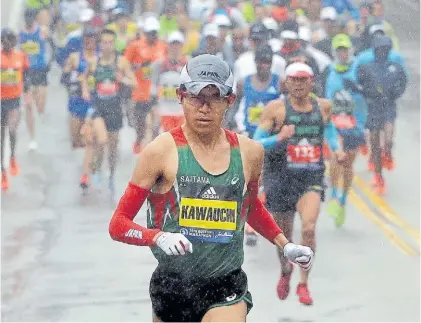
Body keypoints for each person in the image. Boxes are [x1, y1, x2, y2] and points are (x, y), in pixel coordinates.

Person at [109, 54, 314, 322]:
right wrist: (157, 237)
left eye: (214, 98)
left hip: (225, 285)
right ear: (181, 96)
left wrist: (284, 244)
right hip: (173, 286)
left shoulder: (250, 153)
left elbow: (249, 207)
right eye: (196, 97)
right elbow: (118, 224)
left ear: (229, 101)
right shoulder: (159, 152)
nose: (204, 108)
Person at [253, 62, 344, 305]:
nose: (299, 84)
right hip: (280, 179)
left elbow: (331, 132)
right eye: (294, 80)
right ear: (287, 82)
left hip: (310, 178)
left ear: (311, 82)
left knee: (308, 229)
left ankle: (304, 283)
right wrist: (279, 137)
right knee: (283, 237)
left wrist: (337, 150)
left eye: (304, 80)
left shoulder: (323, 107)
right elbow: (256, 142)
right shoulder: (275, 109)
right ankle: (286, 271)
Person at [236, 44, 282, 245]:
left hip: (268, 139)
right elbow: (234, 107)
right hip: (248, 134)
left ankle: (255, 220)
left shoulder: (280, 84)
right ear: (255, 63)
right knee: (250, 178)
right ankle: (247, 219)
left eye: (268, 63)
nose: (264, 66)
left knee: (262, 178)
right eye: (261, 62)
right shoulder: (243, 83)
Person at [80, 28, 137, 192]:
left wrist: (122, 79)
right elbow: (84, 77)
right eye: (104, 42)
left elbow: (134, 83)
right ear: (100, 45)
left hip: (115, 107)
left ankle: (111, 173)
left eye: (110, 42)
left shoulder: (121, 62)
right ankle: (97, 170)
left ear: (114, 44)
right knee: (102, 140)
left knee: (113, 146)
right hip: (99, 106)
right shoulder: (93, 62)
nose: (107, 46)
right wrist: (84, 90)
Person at [355, 35, 407, 194]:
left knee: (389, 139)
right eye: (380, 49)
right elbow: (360, 83)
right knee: (375, 144)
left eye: (385, 49)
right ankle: (378, 176)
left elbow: (403, 82)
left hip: (388, 106)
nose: (382, 52)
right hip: (373, 108)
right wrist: (367, 94)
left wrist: (395, 94)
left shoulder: (395, 67)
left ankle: (388, 153)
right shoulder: (366, 67)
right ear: (375, 50)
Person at [323, 34, 366, 225]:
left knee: (348, 164)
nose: (342, 53)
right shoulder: (328, 71)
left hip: (355, 124)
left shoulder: (359, 69)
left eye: (345, 50)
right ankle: (334, 194)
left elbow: (370, 93)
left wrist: (357, 88)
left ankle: (342, 200)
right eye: (339, 50)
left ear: (350, 51)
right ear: (334, 52)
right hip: (334, 125)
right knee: (335, 159)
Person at [124, 15, 168, 154]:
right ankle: (138, 139)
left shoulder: (163, 46)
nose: (152, 35)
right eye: (150, 33)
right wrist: (132, 74)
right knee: (141, 125)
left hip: (156, 91)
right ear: (145, 33)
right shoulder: (135, 46)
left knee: (155, 124)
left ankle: (153, 150)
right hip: (140, 92)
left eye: (154, 32)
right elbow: (124, 64)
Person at [1, 29, 30, 191]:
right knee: (1, 136)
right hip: (0, 101)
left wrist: (27, 92)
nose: (7, 43)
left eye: (10, 40)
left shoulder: (20, 56)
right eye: (4, 40)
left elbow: (26, 75)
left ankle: (12, 157)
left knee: (12, 130)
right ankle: (3, 172)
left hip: (14, 101)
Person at [19, 8, 51, 151]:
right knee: (29, 106)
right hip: (26, 72)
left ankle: (41, 115)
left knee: (40, 105)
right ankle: (32, 138)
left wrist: (49, 63)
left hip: (40, 70)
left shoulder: (42, 31)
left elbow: (52, 47)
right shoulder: (19, 34)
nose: (29, 22)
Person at [151, 31, 187, 133]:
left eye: (178, 44)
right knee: (166, 143)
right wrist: (154, 108)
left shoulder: (188, 65)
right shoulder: (159, 65)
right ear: (168, 45)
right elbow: (153, 88)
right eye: (173, 44)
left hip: (181, 112)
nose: (175, 47)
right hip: (164, 111)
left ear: (182, 46)